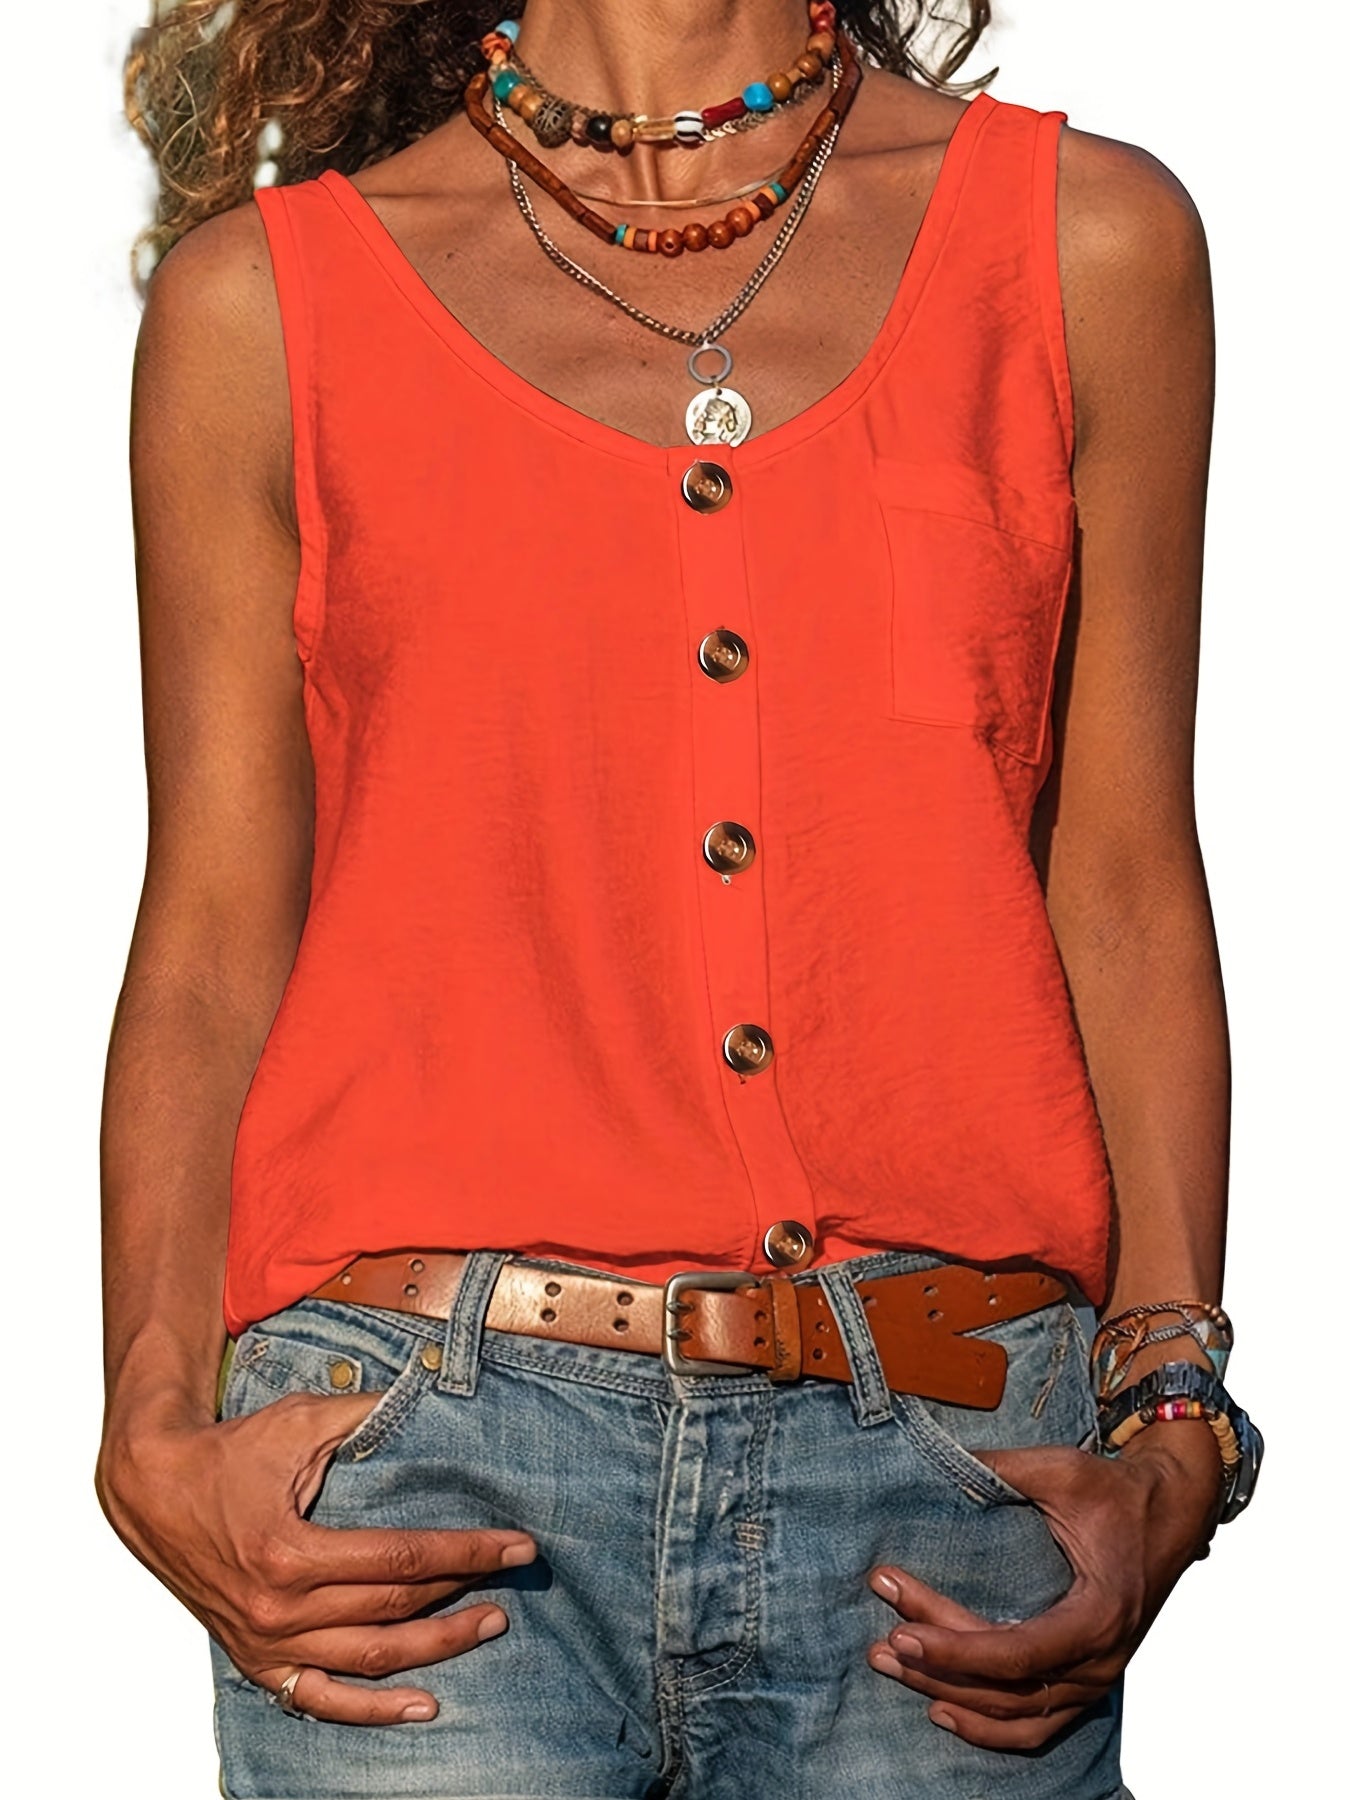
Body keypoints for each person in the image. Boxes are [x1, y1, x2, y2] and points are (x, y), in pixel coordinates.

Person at [95, 3, 1262, 1796]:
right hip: (412, 1465)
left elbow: (1119, 878)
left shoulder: (1083, 244)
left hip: (948, 1468)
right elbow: (210, 934)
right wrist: (154, 1415)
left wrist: (1171, 1401)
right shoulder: (263, 307)